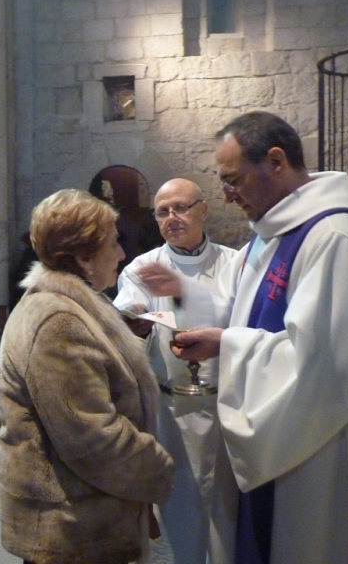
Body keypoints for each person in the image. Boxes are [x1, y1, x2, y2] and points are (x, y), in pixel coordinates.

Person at [138, 111, 348, 564]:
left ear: (276, 162)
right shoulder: (271, 234)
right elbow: (248, 311)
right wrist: (218, 333)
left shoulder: (332, 236)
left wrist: (232, 344)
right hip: (281, 440)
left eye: (234, 180)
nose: (226, 195)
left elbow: (324, 366)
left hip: (310, 448)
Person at [0, 188, 175, 564]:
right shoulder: (57, 322)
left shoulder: (67, 306)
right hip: (71, 528)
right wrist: (159, 468)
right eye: (113, 243)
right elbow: (92, 439)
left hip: (81, 516)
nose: (123, 254)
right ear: (83, 258)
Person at [114, 178, 237, 564]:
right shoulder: (142, 268)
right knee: (179, 514)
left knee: (229, 517)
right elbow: (129, 312)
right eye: (163, 211)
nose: (173, 218)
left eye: (182, 207)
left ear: (204, 209)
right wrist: (133, 321)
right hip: (172, 413)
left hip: (228, 408)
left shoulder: (236, 263)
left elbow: (244, 322)